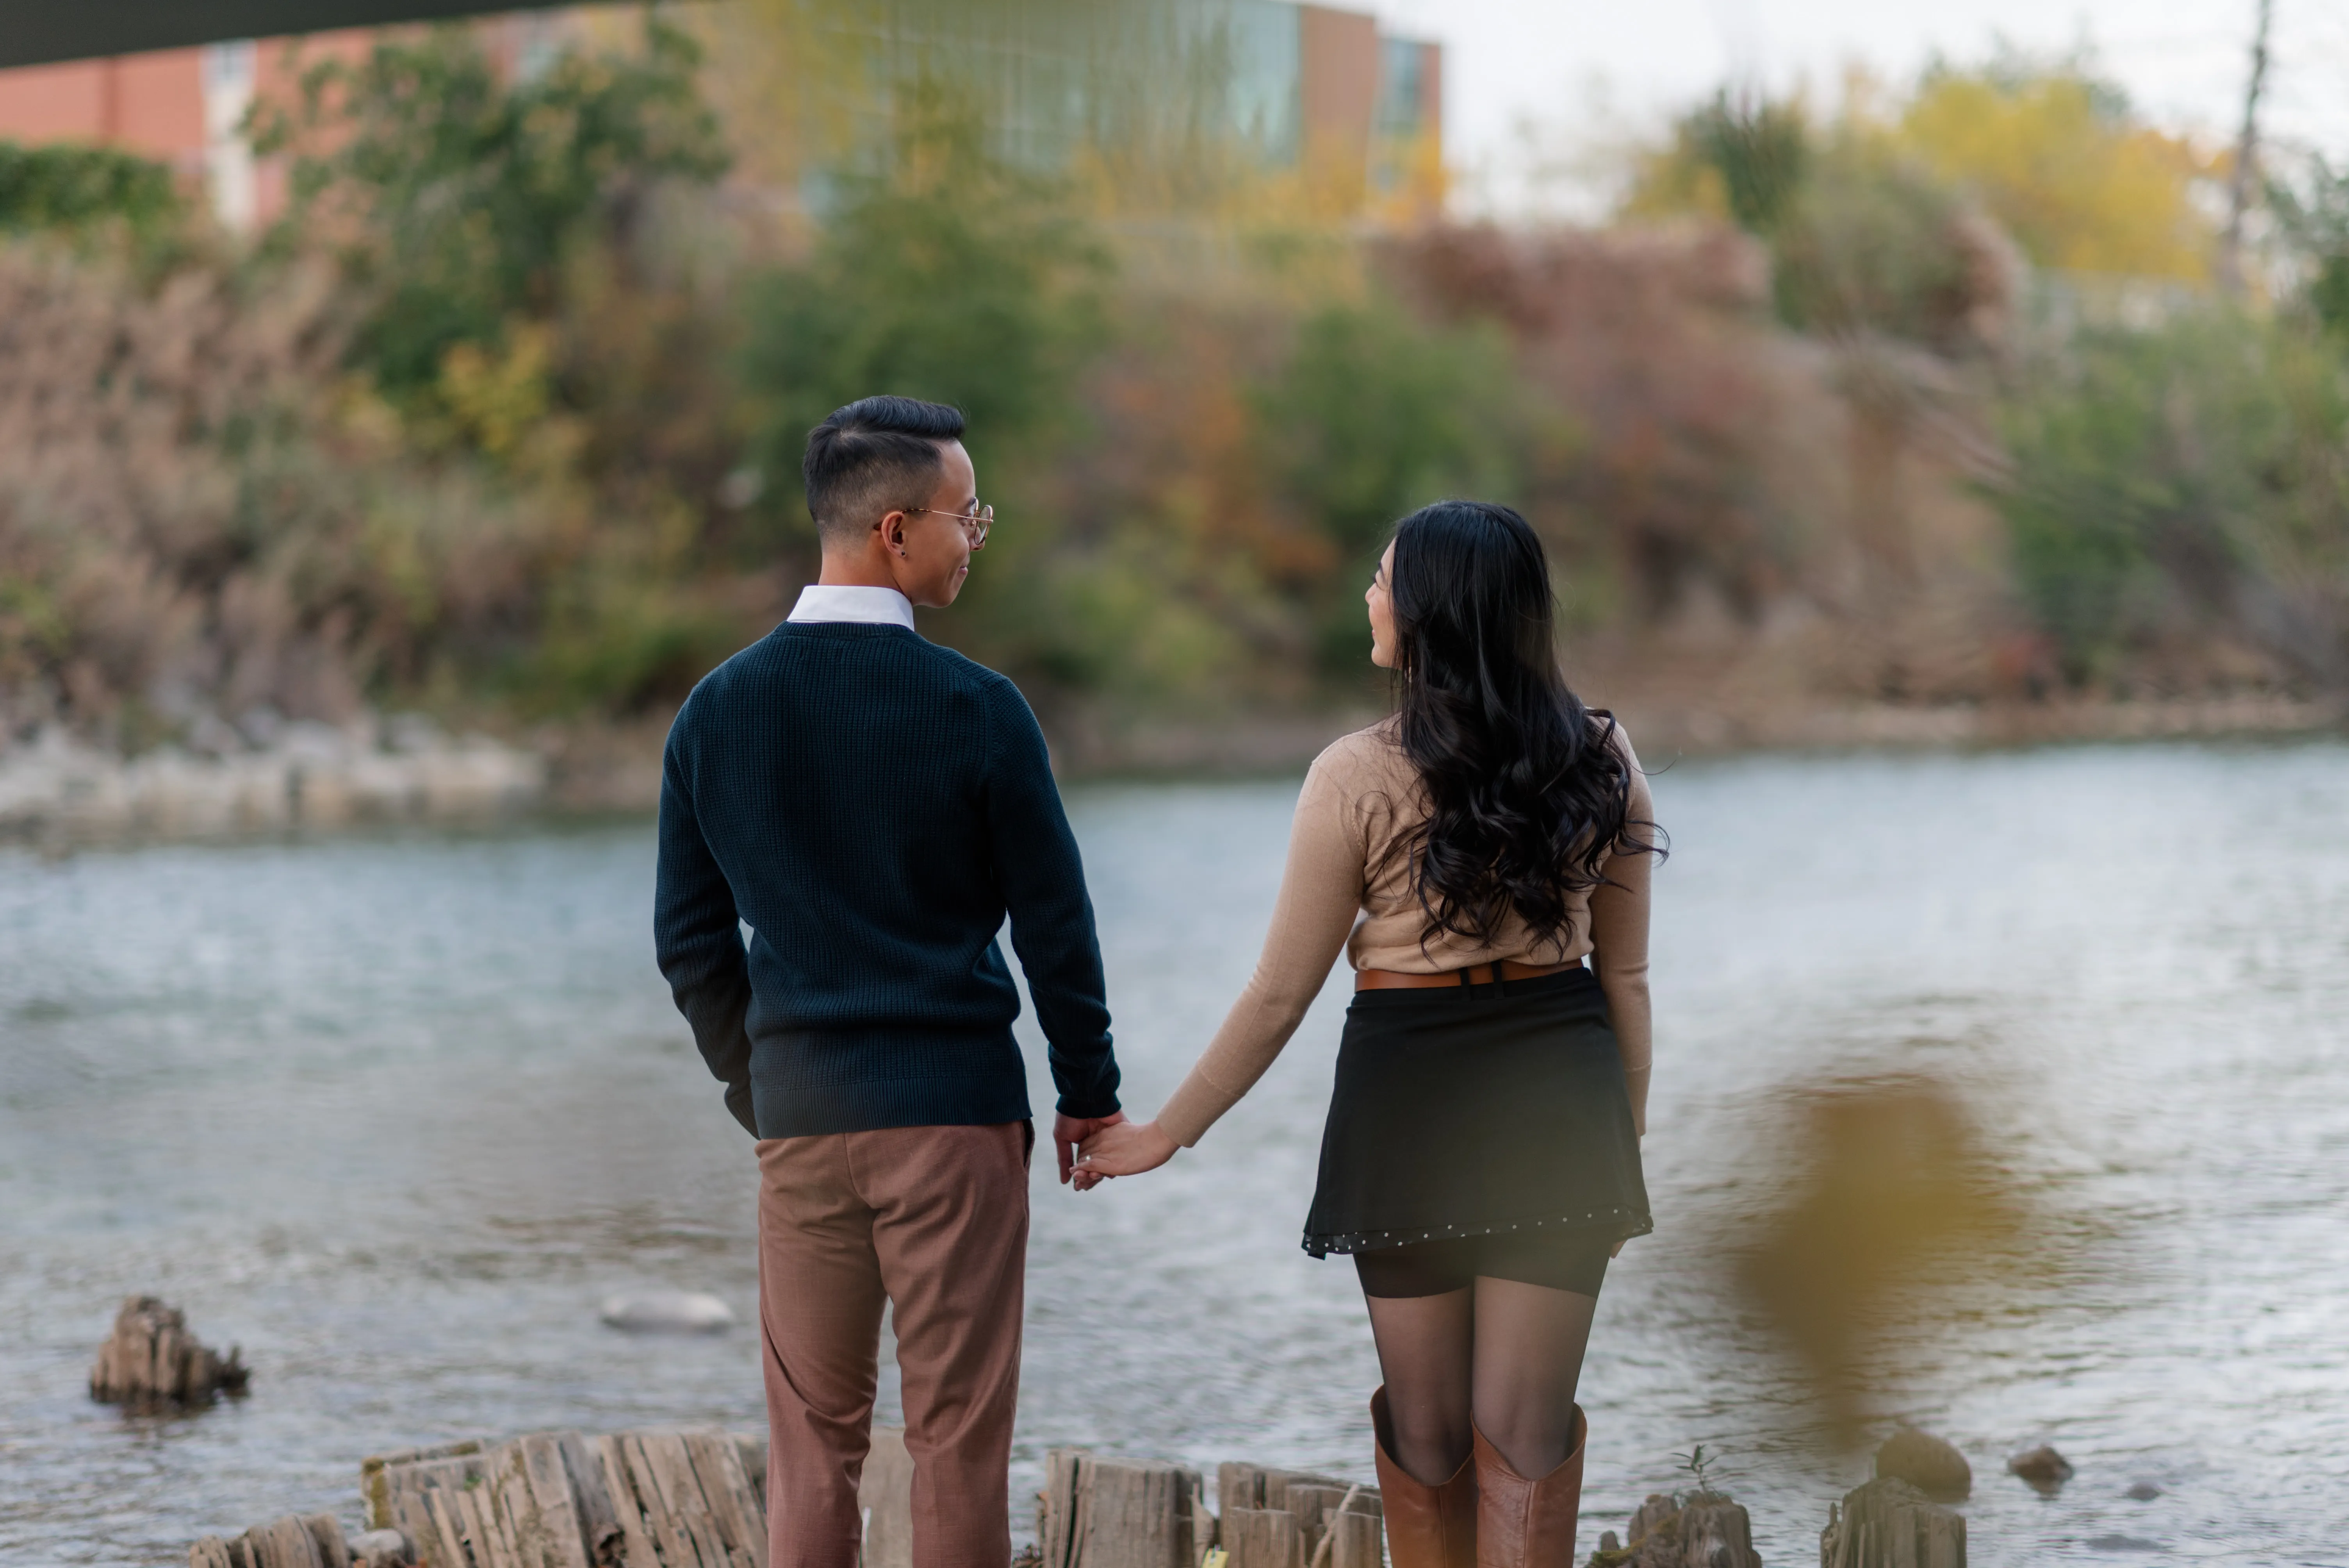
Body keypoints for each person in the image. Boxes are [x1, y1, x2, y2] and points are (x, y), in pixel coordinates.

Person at [1077, 501, 1658, 1568]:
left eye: (1385, 580)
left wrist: (1168, 1132)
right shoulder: (1600, 755)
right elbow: (1624, 977)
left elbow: (1279, 994)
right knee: (1522, 1434)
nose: (1369, 597)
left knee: (1431, 1439)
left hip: (1409, 1091)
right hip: (1559, 1096)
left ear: (1434, 611)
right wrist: (1623, 1144)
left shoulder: (1353, 773)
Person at [654, 395, 1127, 1568]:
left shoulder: (715, 712)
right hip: (955, 1120)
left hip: (803, 1122)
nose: (978, 537)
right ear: (897, 529)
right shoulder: (979, 710)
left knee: (812, 1450)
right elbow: (1055, 927)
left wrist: (763, 1088)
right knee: (958, 1442)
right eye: (970, 516)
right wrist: (1090, 1093)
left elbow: (690, 945)